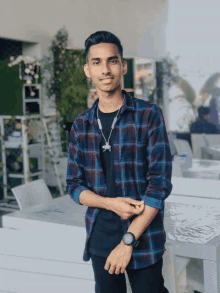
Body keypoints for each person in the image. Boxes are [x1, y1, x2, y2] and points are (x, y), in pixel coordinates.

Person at [66, 31, 172, 293]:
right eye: (97, 62)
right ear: (87, 70)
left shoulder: (148, 115)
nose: (105, 70)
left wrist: (128, 241)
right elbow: (74, 186)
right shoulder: (81, 125)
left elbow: (158, 186)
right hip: (100, 239)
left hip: (143, 238)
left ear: (123, 66)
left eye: (112, 61)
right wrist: (108, 203)